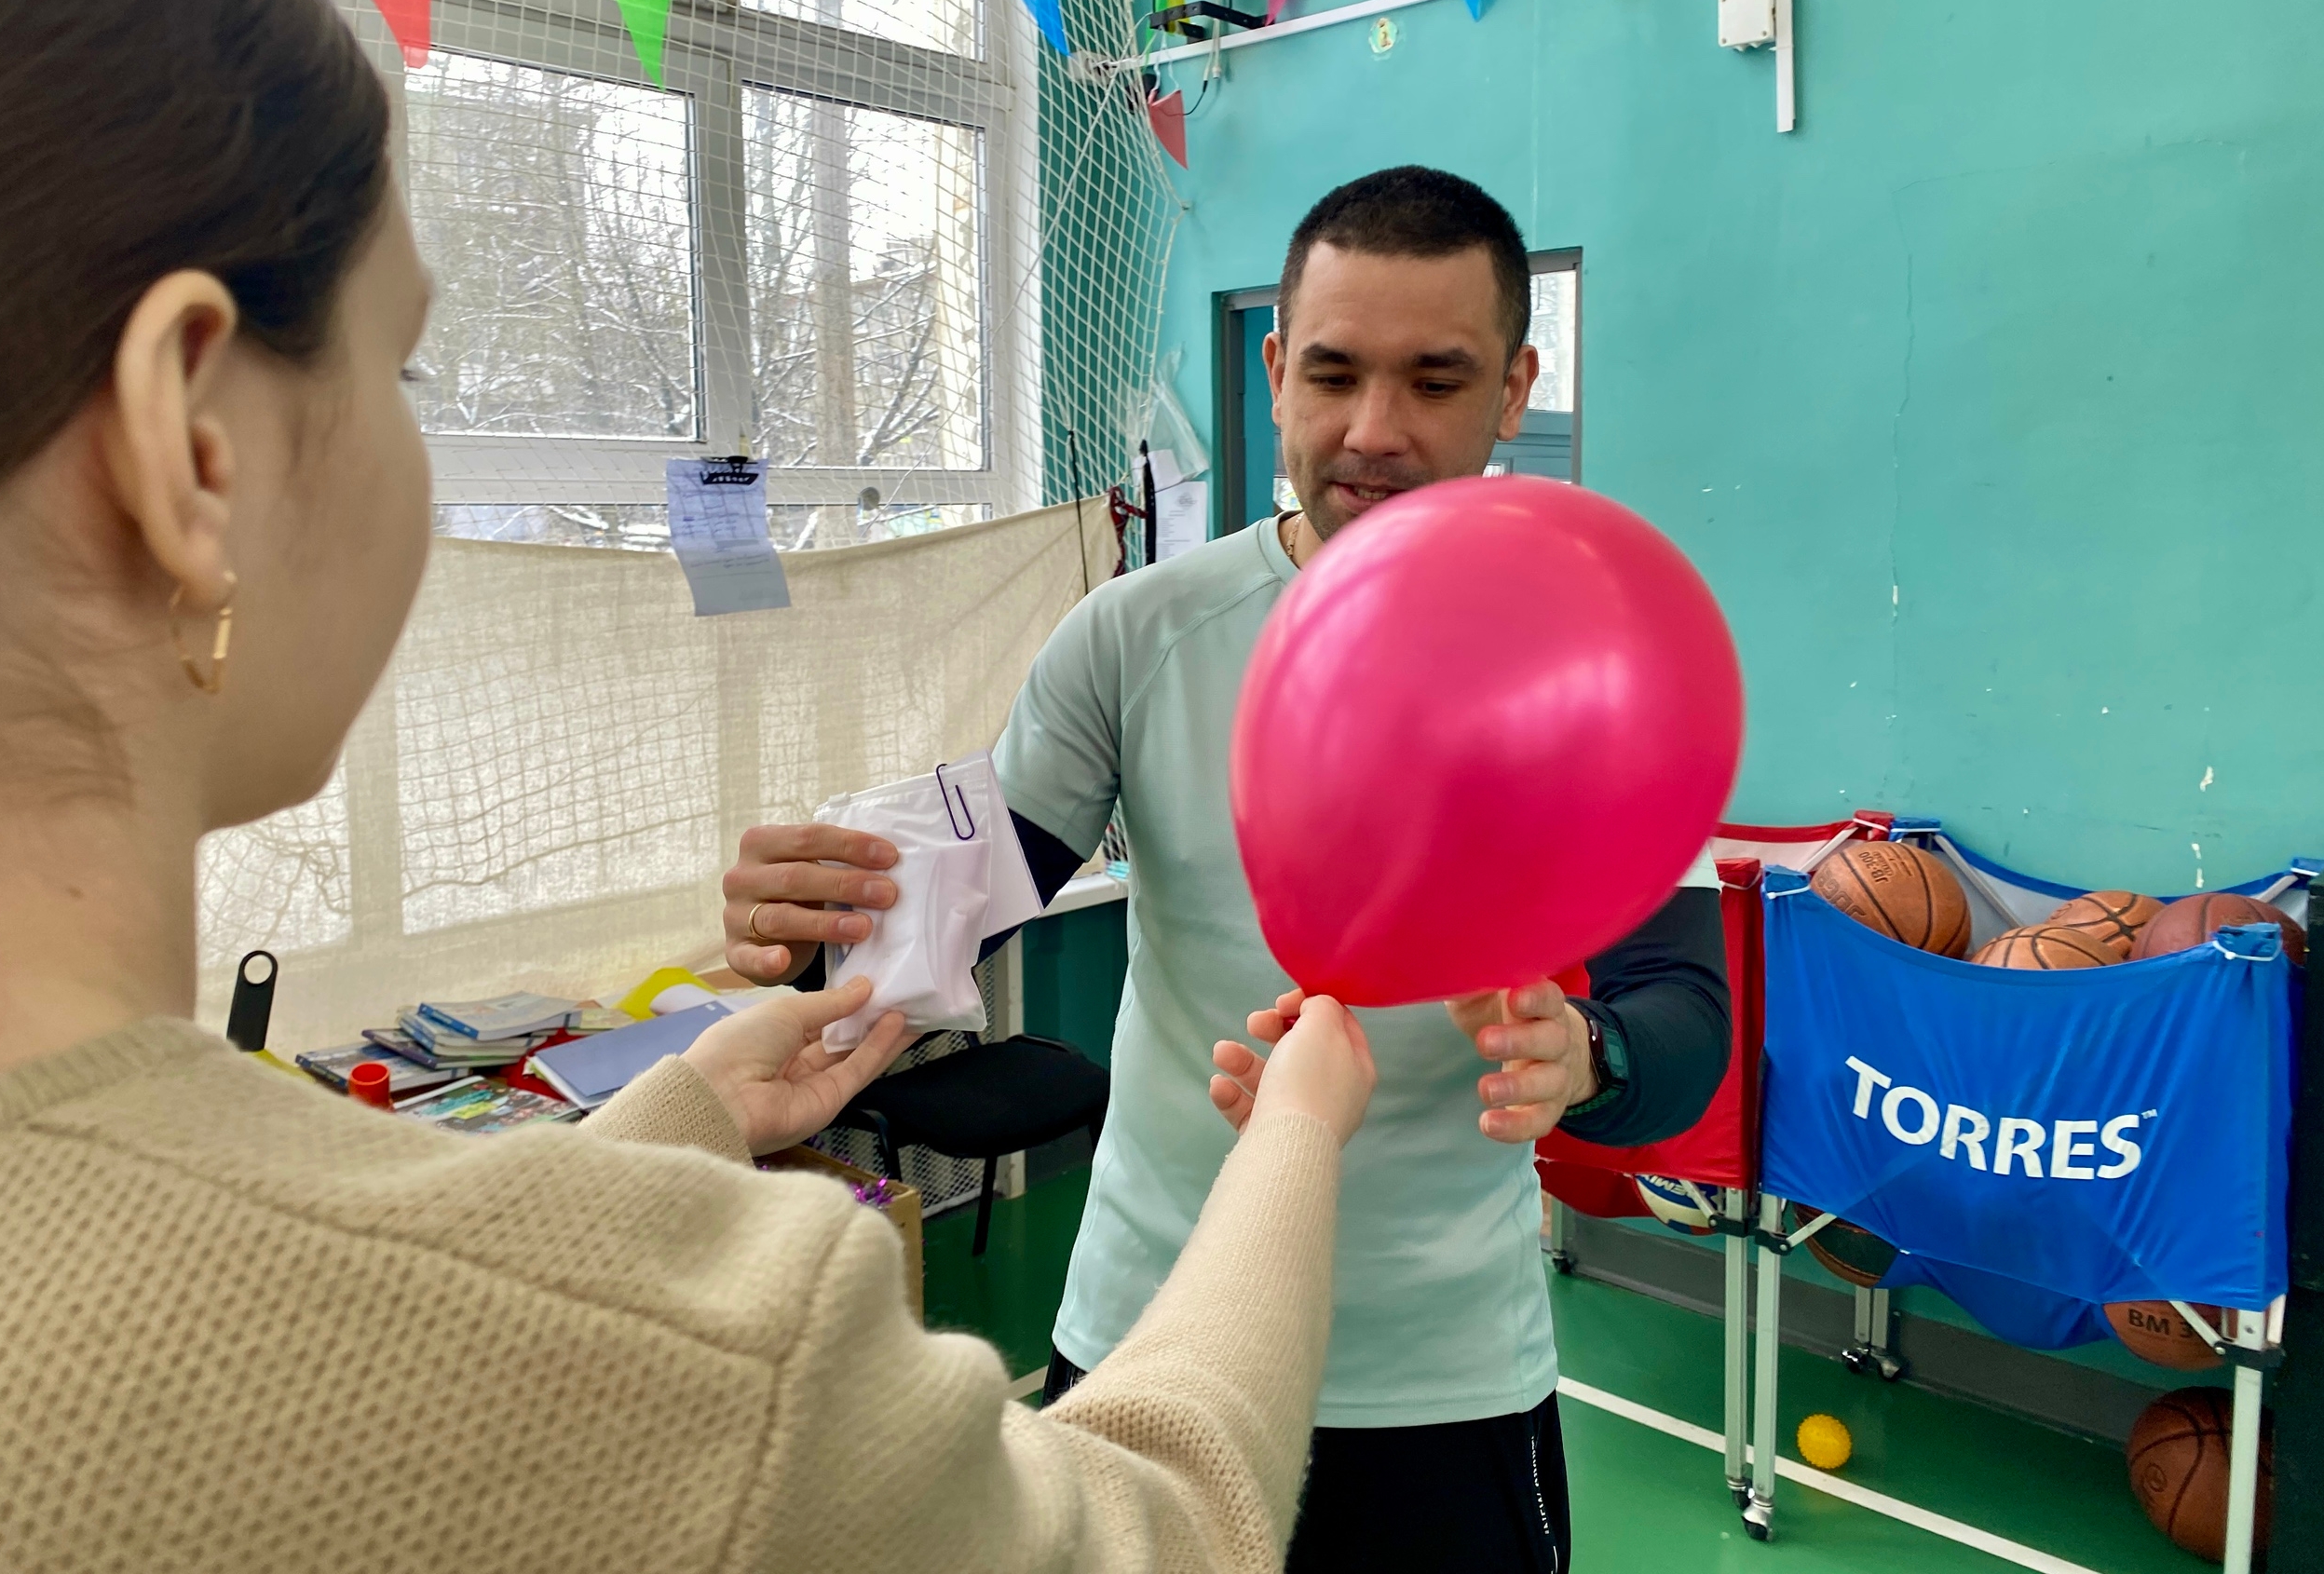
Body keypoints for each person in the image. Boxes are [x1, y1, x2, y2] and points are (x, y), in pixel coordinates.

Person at [0, 0, 1379, 1570]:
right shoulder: (1146, 630)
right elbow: (1162, 1531)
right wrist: (1301, 1133)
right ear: (194, 446)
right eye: (400, 372)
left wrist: (674, 1122)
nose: (1374, 431)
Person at [726, 166, 1732, 1572]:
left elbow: (1687, 1022)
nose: (1371, 431)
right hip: (1153, 1333)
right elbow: (959, 902)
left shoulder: (1596, 654)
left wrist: (1592, 1056)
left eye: (1436, 380)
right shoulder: (1137, 635)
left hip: (1438, 1374)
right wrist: (821, 928)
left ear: (1516, 387)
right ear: (1274, 371)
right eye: (1333, 373)